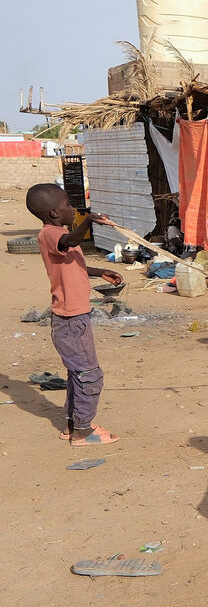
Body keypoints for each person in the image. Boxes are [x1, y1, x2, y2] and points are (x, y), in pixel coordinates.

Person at [27, 183, 123, 446]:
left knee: (77, 375)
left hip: (73, 319)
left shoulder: (60, 234)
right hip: (71, 321)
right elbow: (69, 242)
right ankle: (83, 430)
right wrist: (88, 221)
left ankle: (72, 425)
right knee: (90, 375)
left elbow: (72, 261)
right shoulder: (51, 234)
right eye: (68, 204)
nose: (73, 209)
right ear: (55, 213)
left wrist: (99, 271)